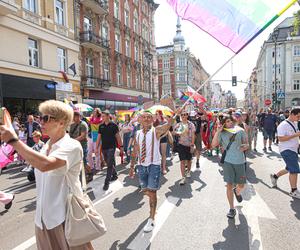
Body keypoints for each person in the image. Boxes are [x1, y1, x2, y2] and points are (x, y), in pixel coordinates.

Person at [0, 100, 93, 249]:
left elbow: (46, 165)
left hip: (66, 218)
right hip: (42, 220)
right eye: (40, 117)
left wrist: (14, 141)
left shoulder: (72, 146)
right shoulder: (45, 146)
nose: (40, 121)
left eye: (46, 118)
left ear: (62, 123)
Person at [129, 110, 172, 232]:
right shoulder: (137, 133)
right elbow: (135, 150)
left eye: (149, 117)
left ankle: (151, 218)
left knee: (151, 192)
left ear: (153, 120)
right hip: (141, 166)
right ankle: (153, 198)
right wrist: (132, 167)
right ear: (140, 120)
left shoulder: (156, 131)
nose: (147, 119)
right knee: (146, 191)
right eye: (144, 117)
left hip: (154, 165)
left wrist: (171, 117)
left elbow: (168, 125)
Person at [212, 115, 249, 219]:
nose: (230, 123)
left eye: (231, 121)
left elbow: (247, 144)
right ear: (224, 124)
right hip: (228, 162)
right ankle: (232, 208)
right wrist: (218, 131)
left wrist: (245, 147)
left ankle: (237, 191)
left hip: (240, 161)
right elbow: (213, 145)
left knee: (241, 185)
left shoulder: (240, 131)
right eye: (227, 121)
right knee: (229, 185)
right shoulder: (222, 132)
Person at [270, 108, 300, 198]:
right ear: (292, 114)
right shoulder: (283, 125)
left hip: (293, 149)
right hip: (287, 150)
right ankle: (293, 190)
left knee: (289, 167)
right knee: (294, 170)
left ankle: (275, 176)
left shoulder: (295, 123)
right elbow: (281, 138)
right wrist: (295, 135)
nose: (299, 118)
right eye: (298, 116)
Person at [96, 110, 123, 191]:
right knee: (108, 163)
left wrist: (121, 147)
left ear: (108, 116)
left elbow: (118, 137)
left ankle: (106, 183)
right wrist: (96, 148)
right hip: (104, 148)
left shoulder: (114, 125)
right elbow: (99, 138)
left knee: (109, 165)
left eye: (104, 116)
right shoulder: (101, 126)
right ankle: (114, 175)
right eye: (102, 116)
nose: (102, 118)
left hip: (112, 147)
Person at [174, 110, 196, 185]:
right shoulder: (178, 124)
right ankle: (183, 177)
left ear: (187, 115)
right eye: (182, 115)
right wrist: (177, 132)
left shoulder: (191, 125)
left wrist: (192, 145)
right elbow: (174, 132)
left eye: (185, 115)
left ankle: (188, 171)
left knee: (189, 160)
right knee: (182, 161)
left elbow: (193, 135)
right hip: (181, 144)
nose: (183, 116)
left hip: (189, 145)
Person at [153, 110, 168, 174]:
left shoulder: (165, 121)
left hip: (163, 138)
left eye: (156, 114)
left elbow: (167, 131)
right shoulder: (154, 122)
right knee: (156, 153)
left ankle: (163, 167)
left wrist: (161, 137)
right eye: (155, 114)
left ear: (160, 114)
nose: (156, 115)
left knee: (163, 153)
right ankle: (157, 167)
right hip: (156, 138)